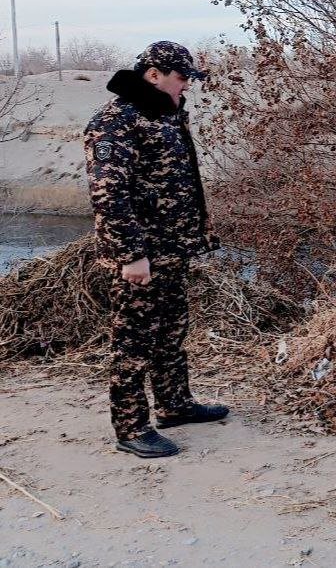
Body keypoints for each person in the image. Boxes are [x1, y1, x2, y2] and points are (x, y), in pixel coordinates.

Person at [84, 41, 228, 458]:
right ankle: (131, 428)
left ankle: (174, 405)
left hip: (171, 250)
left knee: (170, 332)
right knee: (134, 341)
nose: (186, 87)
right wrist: (130, 255)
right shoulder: (118, 120)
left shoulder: (163, 115)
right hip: (142, 255)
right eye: (181, 79)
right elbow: (109, 196)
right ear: (153, 74)